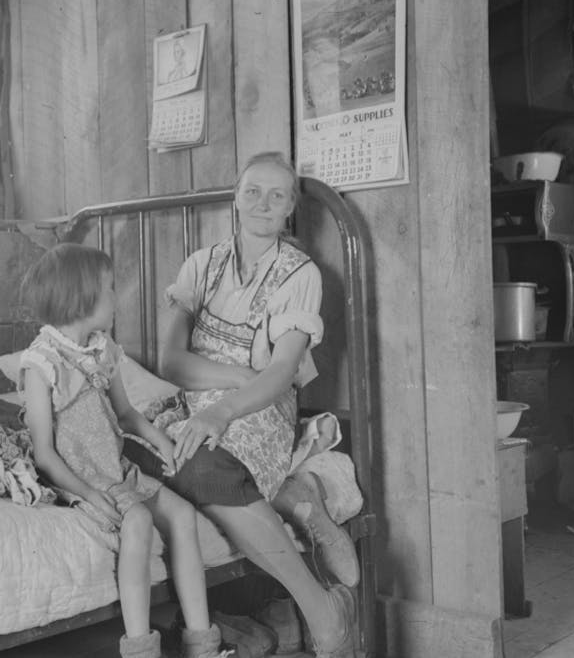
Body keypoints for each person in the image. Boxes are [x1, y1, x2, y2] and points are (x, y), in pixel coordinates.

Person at [127, 151, 360, 658]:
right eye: (252, 190)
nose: (262, 203)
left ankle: (322, 612)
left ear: (290, 209)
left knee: (198, 465)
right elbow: (171, 362)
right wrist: (235, 376)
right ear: (235, 197)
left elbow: (279, 378)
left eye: (277, 195)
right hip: (195, 404)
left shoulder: (301, 275)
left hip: (259, 411)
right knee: (151, 453)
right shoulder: (199, 265)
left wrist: (225, 406)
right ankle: (292, 498)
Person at [18, 243, 227, 658]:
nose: (117, 297)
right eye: (110, 289)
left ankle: (202, 644)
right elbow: (44, 453)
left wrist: (163, 442)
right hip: (79, 474)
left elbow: (127, 414)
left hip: (117, 467)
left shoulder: (104, 349)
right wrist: (90, 493)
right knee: (136, 521)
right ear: (80, 297)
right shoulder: (41, 363)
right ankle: (139, 647)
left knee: (183, 515)